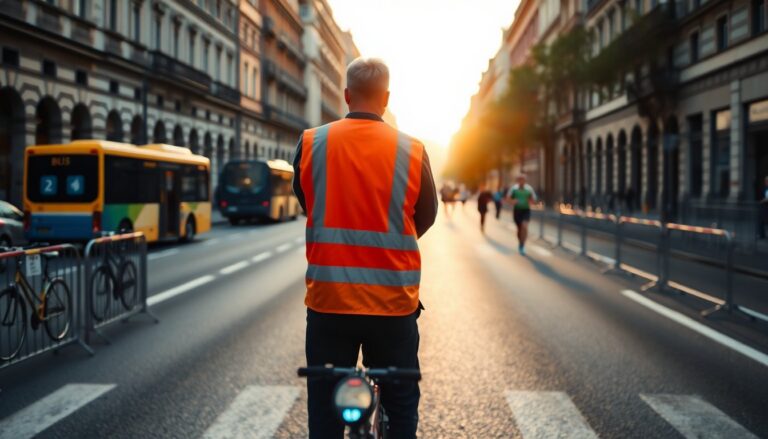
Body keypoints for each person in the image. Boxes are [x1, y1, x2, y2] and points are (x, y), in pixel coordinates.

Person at [292, 57, 438, 439]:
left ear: (345, 95)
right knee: (401, 403)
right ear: (386, 99)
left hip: (329, 302)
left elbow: (308, 203)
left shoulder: (312, 142)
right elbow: (426, 215)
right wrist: (389, 243)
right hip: (392, 304)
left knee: (324, 411)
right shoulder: (412, 149)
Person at [506, 174, 538, 255]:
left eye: (523, 180)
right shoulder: (514, 189)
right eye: (520, 180)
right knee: (519, 229)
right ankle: (520, 242)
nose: (521, 181)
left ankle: (522, 245)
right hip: (517, 211)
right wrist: (513, 201)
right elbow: (508, 199)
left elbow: (534, 200)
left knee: (525, 226)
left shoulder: (529, 189)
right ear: (518, 181)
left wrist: (531, 202)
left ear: (525, 181)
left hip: (526, 210)